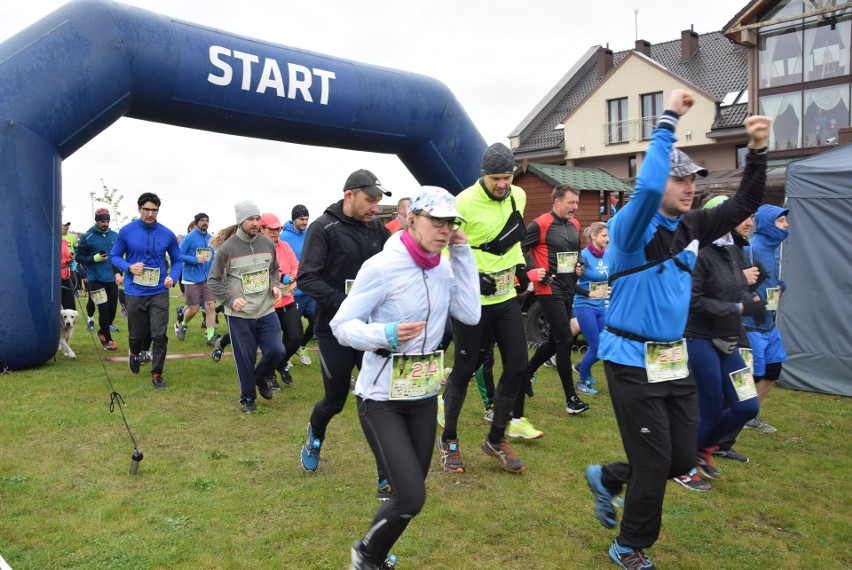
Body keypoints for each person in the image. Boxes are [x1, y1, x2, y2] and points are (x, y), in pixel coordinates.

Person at [583, 89, 770, 570]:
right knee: (652, 463)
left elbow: (746, 201)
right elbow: (645, 191)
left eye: (694, 180)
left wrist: (758, 150)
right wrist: (667, 119)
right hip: (629, 361)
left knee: (682, 458)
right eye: (679, 178)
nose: (689, 187)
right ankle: (630, 545)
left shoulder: (692, 228)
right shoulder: (629, 229)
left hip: (672, 357)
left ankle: (607, 477)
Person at [332, 186, 480, 570]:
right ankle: (364, 556)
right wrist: (386, 334)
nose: (445, 229)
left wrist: (463, 254)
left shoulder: (445, 264)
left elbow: (470, 313)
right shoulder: (381, 266)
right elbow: (341, 326)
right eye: (437, 220)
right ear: (412, 218)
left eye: (451, 222)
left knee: (409, 493)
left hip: (423, 395)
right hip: (380, 398)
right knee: (411, 497)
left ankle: (375, 557)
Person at [438, 142, 531, 474]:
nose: (503, 185)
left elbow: (514, 239)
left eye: (507, 177)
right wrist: (472, 279)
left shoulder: (517, 196)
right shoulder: (462, 203)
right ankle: (448, 440)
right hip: (472, 301)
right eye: (496, 179)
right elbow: (444, 251)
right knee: (464, 370)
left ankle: (496, 437)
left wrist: (520, 266)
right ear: (484, 176)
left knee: (518, 366)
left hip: (504, 298)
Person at [297, 169, 392, 475]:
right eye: (370, 200)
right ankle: (315, 435)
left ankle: (386, 471)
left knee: (378, 399)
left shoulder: (378, 230)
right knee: (335, 400)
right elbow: (306, 278)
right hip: (333, 330)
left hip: (372, 330)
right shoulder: (323, 228)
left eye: (378, 201)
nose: (375, 207)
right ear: (349, 195)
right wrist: (347, 302)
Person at [680, 195, 762, 488]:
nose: (749, 222)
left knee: (748, 405)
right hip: (699, 337)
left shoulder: (733, 250)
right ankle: (683, 465)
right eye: (743, 216)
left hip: (728, 339)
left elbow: (737, 289)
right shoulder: (698, 249)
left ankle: (703, 448)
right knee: (711, 407)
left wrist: (749, 300)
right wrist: (738, 308)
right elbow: (693, 301)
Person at [518, 184, 589, 427]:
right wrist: (533, 271)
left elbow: (576, 251)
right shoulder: (539, 224)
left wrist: (579, 265)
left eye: (577, 203)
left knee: (556, 339)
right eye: (571, 203)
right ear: (557, 202)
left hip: (569, 287)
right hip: (548, 289)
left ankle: (525, 375)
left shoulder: (575, 225)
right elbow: (521, 248)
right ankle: (571, 398)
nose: (575, 207)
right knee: (565, 340)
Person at [208, 201, 285, 413]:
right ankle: (247, 398)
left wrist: (275, 286)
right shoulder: (228, 249)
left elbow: (273, 270)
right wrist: (231, 299)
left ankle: (260, 378)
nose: (255, 223)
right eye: (250, 219)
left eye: (257, 218)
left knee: (277, 350)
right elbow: (213, 280)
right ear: (241, 221)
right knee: (245, 358)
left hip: (266, 310)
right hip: (240, 315)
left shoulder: (267, 244)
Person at [110, 193, 183, 390]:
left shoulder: (166, 234)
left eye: (154, 210)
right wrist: (128, 267)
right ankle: (134, 353)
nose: (150, 214)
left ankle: (157, 373)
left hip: (159, 290)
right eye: (147, 209)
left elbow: (177, 260)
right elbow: (114, 255)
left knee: (159, 334)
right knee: (137, 334)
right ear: (139, 209)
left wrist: (172, 277)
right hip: (134, 291)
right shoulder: (127, 231)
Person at [742, 204, 789, 433]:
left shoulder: (775, 250)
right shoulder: (750, 248)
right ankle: (734, 414)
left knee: (773, 371)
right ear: (769, 223)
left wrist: (780, 286)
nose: (786, 225)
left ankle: (750, 416)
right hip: (750, 324)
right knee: (751, 373)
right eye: (781, 221)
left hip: (769, 323)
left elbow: (769, 281)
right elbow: (729, 279)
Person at [259, 212, 302, 388]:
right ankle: (268, 374)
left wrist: (294, 279)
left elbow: (296, 265)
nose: (276, 232)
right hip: (267, 303)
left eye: (279, 229)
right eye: (272, 229)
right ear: (262, 229)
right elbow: (264, 270)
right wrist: (284, 278)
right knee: (273, 344)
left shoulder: (285, 246)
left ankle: (279, 364)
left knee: (296, 338)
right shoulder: (258, 248)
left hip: (287, 300)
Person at [572, 221, 611, 395]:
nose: (607, 239)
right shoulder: (583, 256)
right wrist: (588, 294)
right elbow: (570, 283)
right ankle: (580, 383)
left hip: (600, 306)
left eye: (608, 236)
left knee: (606, 344)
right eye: (604, 236)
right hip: (584, 305)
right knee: (595, 345)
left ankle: (582, 367)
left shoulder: (607, 255)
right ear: (593, 236)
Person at [76, 208, 120, 351]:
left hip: (111, 278)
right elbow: (78, 257)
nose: (105, 224)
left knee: (112, 309)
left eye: (107, 221)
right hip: (95, 278)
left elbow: (118, 256)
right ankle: (108, 339)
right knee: (103, 308)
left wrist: (119, 272)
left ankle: (102, 331)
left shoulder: (115, 236)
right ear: (96, 221)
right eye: (102, 221)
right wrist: (93, 259)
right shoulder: (87, 237)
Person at [174, 213, 218, 345]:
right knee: (194, 308)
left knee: (210, 306)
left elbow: (214, 257)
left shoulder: (211, 239)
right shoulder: (189, 238)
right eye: (202, 220)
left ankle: (211, 337)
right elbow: (178, 255)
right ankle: (183, 324)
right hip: (192, 279)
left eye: (207, 221)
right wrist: (194, 260)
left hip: (207, 279)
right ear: (197, 222)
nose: (205, 223)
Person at [281, 204, 314, 366]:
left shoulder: (309, 234)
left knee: (316, 322)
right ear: (294, 219)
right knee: (292, 331)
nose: (305, 222)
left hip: (310, 288)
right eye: (302, 219)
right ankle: (284, 358)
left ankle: (301, 347)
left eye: (307, 219)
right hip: (294, 291)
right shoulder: (284, 237)